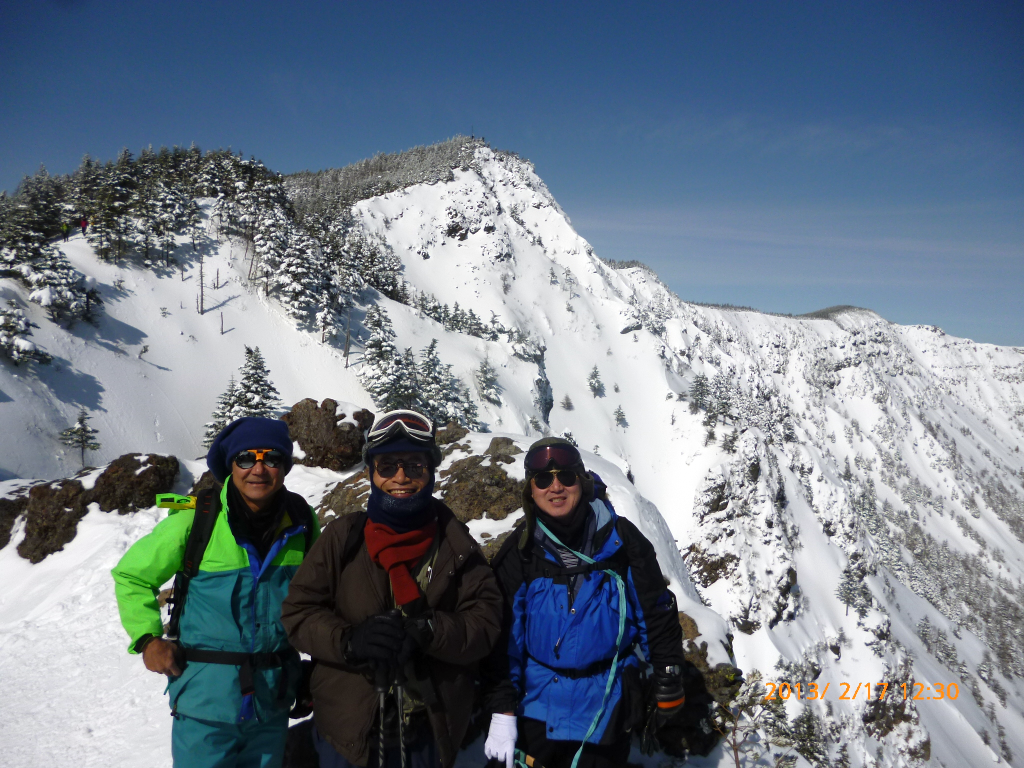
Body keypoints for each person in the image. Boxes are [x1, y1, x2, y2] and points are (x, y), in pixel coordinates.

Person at [281, 409, 503, 768]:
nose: (401, 477)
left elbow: (486, 621)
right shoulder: (344, 538)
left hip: (430, 727)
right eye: (387, 466)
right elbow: (298, 612)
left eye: (415, 466)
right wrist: (350, 641)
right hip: (348, 731)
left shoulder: (455, 543)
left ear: (431, 472)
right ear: (371, 473)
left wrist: (431, 631)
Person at [112, 417, 320, 768]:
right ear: (230, 465)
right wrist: (148, 640)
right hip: (204, 704)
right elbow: (131, 575)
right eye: (245, 458)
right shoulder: (197, 521)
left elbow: (321, 596)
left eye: (271, 458)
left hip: (272, 702)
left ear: (284, 466)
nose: (258, 469)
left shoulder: (301, 522)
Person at [481, 438, 687, 768]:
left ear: (582, 481)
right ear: (531, 490)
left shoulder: (621, 542)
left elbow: (655, 612)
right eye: (543, 479)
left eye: (566, 476)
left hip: (606, 702)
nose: (556, 487)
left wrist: (668, 675)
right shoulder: (521, 553)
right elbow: (502, 640)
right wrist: (503, 709)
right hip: (537, 705)